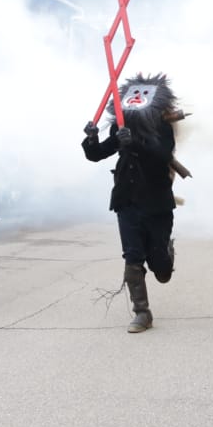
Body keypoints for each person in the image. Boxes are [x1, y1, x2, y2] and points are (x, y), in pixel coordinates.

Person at [82, 72, 186, 333]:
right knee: (132, 256)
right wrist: (91, 138)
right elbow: (96, 155)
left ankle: (166, 256)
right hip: (126, 201)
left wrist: (136, 143)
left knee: (161, 268)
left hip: (157, 203)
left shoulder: (163, 126)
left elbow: (163, 154)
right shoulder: (119, 126)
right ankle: (142, 312)